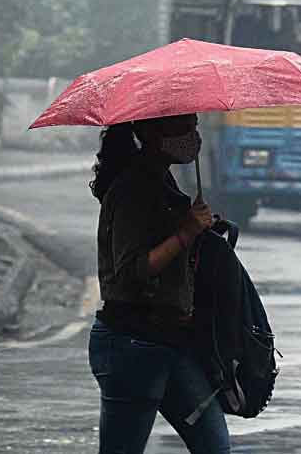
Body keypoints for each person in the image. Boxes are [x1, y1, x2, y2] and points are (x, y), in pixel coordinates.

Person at [87, 114, 230, 453]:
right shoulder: (132, 188)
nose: (193, 136)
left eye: (195, 125)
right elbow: (132, 271)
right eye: (184, 127)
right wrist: (185, 233)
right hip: (133, 344)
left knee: (214, 445)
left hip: (170, 341)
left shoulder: (161, 179)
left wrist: (200, 232)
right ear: (151, 132)